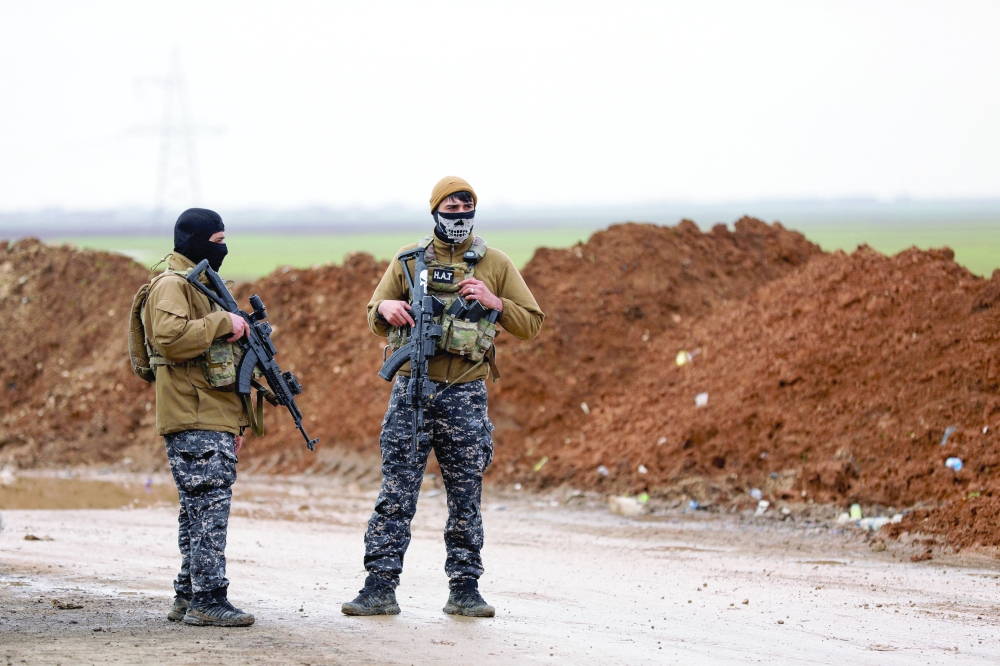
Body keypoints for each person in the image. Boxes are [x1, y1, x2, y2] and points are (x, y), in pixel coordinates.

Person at [342, 176, 544, 617]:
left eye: (466, 210)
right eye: (450, 210)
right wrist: (385, 308)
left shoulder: (495, 263)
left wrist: (495, 302)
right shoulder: (408, 260)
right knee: (396, 491)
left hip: (465, 395)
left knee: (465, 494)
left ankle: (465, 588)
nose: (459, 217)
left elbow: (532, 323)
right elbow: (374, 315)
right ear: (435, 211)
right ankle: (378, 587)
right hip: (412, 391)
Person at [142, 208, 255, 627]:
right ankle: (208, 598)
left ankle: (188, 595)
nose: (223, 248)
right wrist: (222, 321)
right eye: (217, 239)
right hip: (192, 410)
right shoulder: (173, 285)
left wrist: (237, 423)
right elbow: (169, 338)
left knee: (197, 508)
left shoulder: (202, 285)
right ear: (194, 240)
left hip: (209, 410)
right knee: (208, 506)